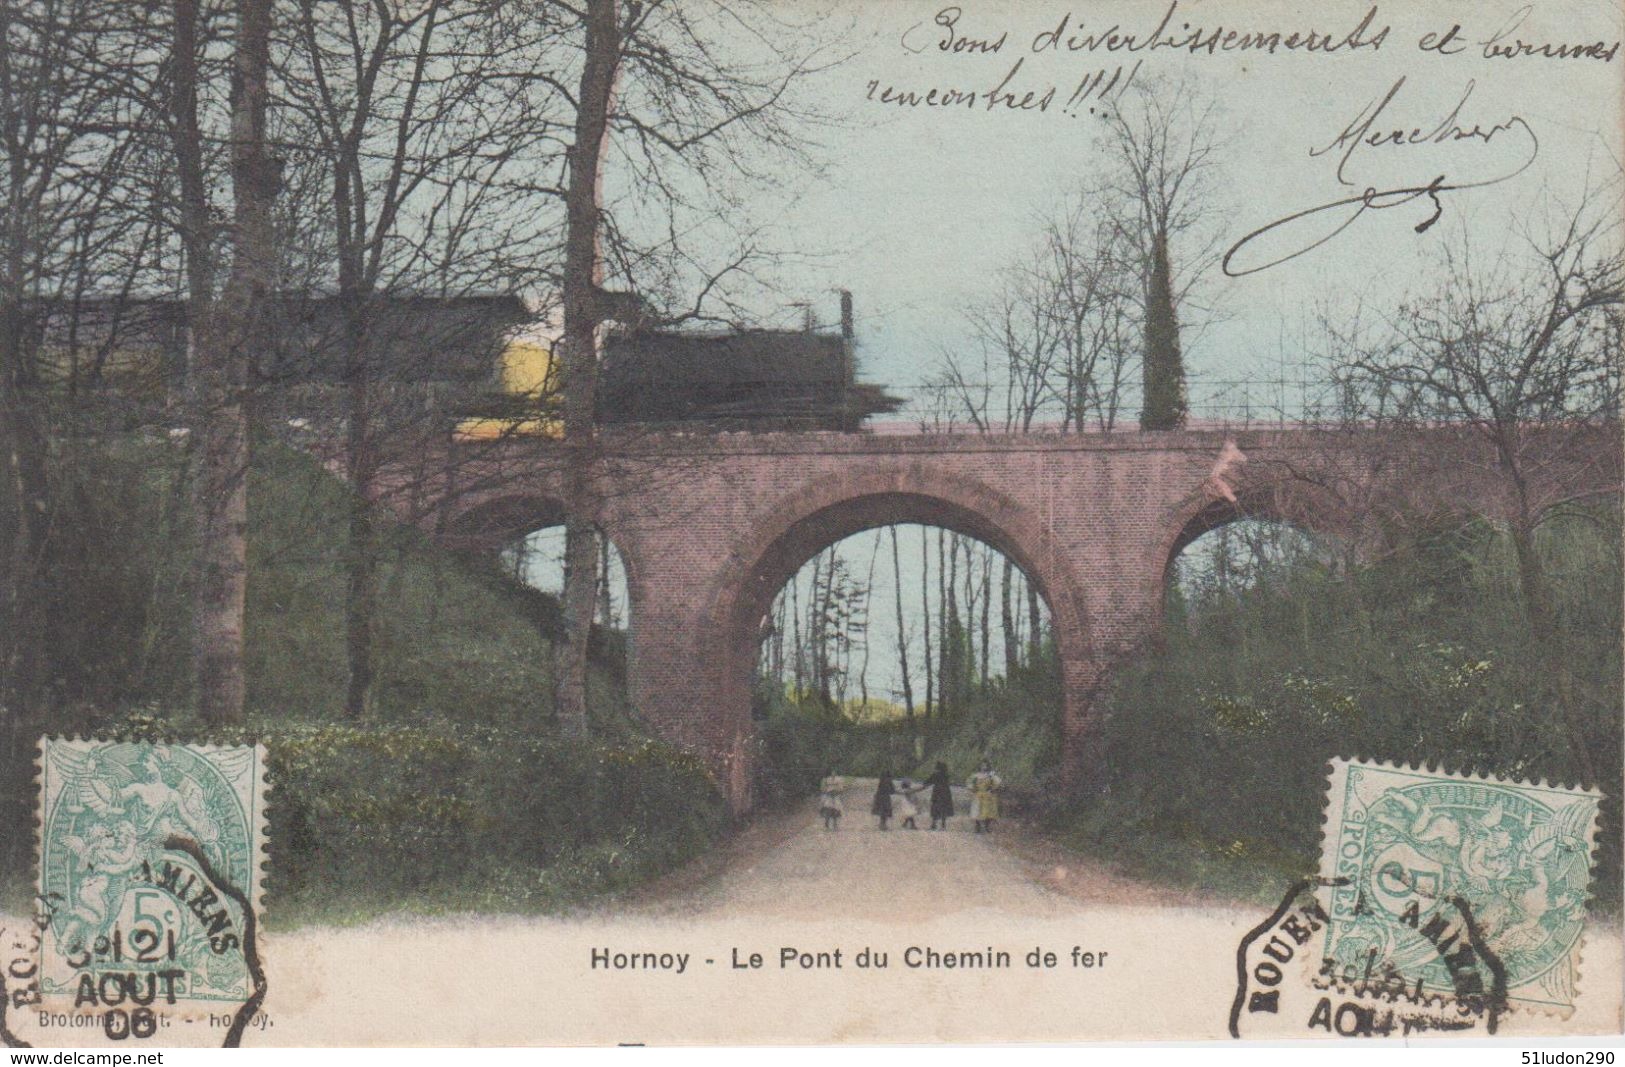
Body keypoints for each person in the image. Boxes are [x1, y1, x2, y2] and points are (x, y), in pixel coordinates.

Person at [967, 760, 1002, 833]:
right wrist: (972, 789)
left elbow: (998, 782)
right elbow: (969, 782)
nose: (983, 767)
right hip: (978, 794)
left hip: (987, 795)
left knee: (988, 812)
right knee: (977, 811)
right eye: (982, 765)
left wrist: (992, 789)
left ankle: (987, 827)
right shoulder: (976, 775)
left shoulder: (990, 775)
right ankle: (978, 826)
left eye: (985, 765)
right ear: (979, 766)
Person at [924, 761, 955, 830]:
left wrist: (924, 785)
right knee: (944, 808)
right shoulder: (946, 775)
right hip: (946, 792)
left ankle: (934, 824)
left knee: (935, 808)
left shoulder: (935, 774)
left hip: (937, 792)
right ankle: (943, 825)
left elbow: (928, 781)